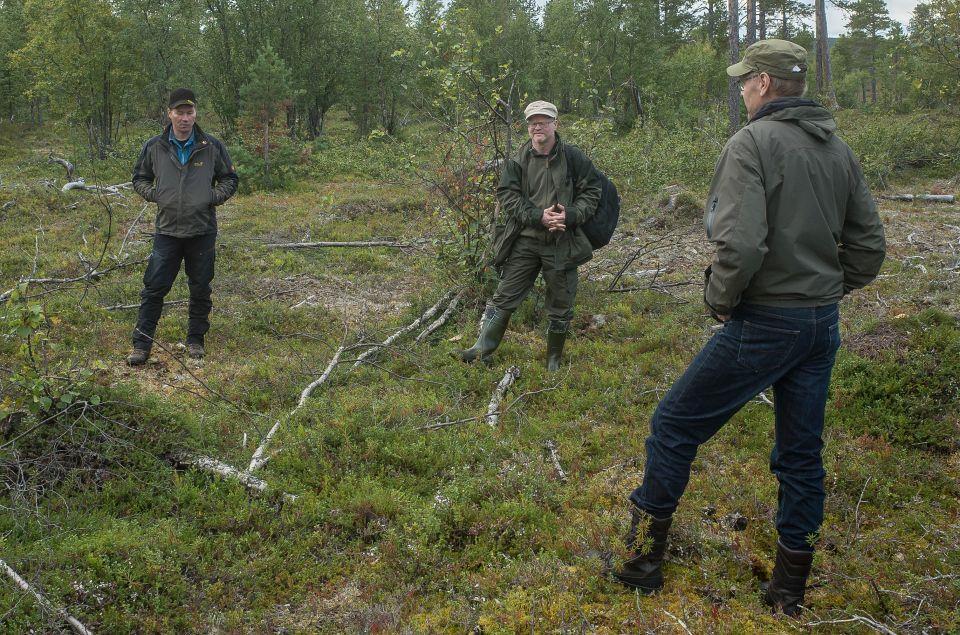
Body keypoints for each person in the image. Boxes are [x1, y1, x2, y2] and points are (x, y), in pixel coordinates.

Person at [613, 40, 886, 616]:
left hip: (767, 319)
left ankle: (641, 565)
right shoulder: (838, 149)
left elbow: (739, 243)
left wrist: (719, 300)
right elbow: (868, 248)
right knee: (801, 453)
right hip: (820, 324)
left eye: (744, 80)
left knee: (673, 424)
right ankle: (788, 592)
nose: (741, 89)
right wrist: (827, 290)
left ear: (763, 84)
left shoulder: (752, 143)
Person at [459, 100, 601, 371]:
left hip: (562, 242)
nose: (538, 126)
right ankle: (481, 350)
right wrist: (538, 216)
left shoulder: (573, 157)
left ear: (555, 124)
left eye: (544, 121)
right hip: (525, 240)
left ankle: (553, 362)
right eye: (533, 122)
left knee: (561, 303)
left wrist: (569, 215)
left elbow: (593, 192)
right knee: (505, 295)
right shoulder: (517, 159)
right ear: (528, 127)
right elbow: (507, 195)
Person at [126, 88, 239, 366]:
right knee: (153, 288)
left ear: (195, 114)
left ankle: (195, 340)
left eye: (190, 112)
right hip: (167, 231)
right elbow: (140, 177)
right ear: (170, 114)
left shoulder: (211, 146)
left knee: (200, 288)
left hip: (202, 231)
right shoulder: (155, 146)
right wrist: (155, 195)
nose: (185, 118)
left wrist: (211, 198)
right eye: (180, 112)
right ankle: (141, 345)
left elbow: (229, 179)